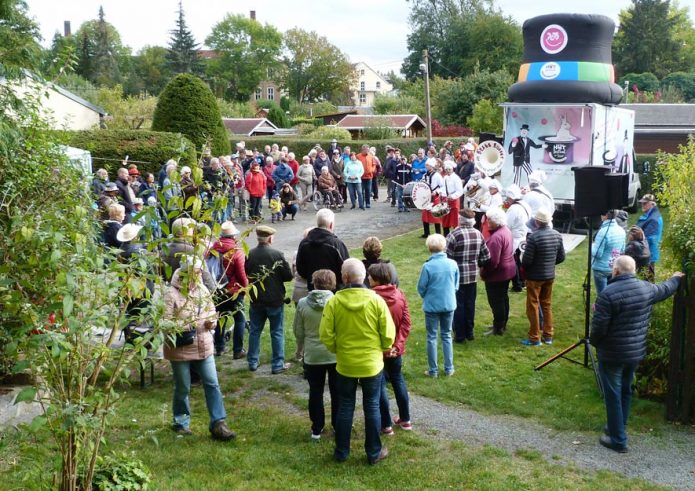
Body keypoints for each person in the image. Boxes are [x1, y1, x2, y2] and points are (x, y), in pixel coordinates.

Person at [590, 256, 684, 453]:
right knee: (625, 390)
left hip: (613, 354)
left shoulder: (607, 294)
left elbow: (598, 329)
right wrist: (676, 279)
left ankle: (618, 440)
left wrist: (595, 343)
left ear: (616, 271)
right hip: (634, 352)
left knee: (613, 394)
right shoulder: (646, 288)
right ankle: (618, 426)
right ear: (633, 270)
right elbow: (665, 289)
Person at [319, 259, 395, 465]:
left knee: (345, 406)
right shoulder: (376, 300)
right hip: (371, 363)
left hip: (345, 363)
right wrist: (380, 349)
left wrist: (338, 349)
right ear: (365, 278)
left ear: (344, 277)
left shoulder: (334, 302)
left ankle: (342, 452)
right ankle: (373, 453)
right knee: (372, 406)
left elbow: (325, 334)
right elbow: (388, 334)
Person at [163, 257, 236, 440]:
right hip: (180, 347)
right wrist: (190, 325)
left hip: (203, 345)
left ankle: (218, 423)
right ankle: (181, 422)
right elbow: (164, 323)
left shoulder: (202, 289)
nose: (199, 275)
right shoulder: (171, 293)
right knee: (183, 387)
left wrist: (212, 322)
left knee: (212, 383)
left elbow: (211, 311)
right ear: (186, 273)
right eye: (195, 272)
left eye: (199, 272)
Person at [368, 263, 412, 434]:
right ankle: (406, 419)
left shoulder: (370, 297)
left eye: (370, 276)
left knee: (379, 385)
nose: (367, 278)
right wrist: (398, 345)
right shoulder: (400, 295)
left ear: (377, 279)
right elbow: (406, 324)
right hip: (394, 349)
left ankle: (386, 424)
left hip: (377, 350)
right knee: (398, 379)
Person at [294, 269, 338, 441]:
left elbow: (298, 331)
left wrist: (304, 344)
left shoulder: (303, 303)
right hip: (334, 354)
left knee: (315, 391)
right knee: (337, 391)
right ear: (333, 283)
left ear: (314, 282)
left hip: (312, 354)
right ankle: (337, 424)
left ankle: (317, 428)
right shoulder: (336, 301)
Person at [244, 225, 293, 373]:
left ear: (258, 238)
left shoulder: (250, 254)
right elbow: (288, 276)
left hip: (256, 298)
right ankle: (277, 364)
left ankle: (252, 361)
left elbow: (246, 272)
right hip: (275, 300)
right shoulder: (277, 254)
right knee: (276, 331)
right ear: (270, 238)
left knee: (254, 331)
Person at [520, 208, 565, 346]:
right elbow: (561, 257)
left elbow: (526, 261)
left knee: (533, 306)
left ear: (537, 221)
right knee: (546, 305)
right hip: (549, 276)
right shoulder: (557, 235)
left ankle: (534, 337)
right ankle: (548, 335)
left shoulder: (534, 237)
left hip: (535, 277)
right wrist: (550, 264)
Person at [417, 234, 459, 377]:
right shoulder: (452, 264)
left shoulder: (427, 266)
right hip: (448, 304)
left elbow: (421, 287)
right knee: (447, 335)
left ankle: (433, 370)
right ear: (444, 247)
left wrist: (427, 297)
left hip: (432, 305)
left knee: (432, 336)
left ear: (429, 248)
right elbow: (455, 285)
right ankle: (449, 368)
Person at [446, 209, 490, 342]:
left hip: (456, 277)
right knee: (470, 304)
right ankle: (469, 333)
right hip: (472, 276)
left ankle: (459, 335)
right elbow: (487, 256)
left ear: (460, 220)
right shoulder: (478, 234)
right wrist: (476, 264)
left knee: (458, 306)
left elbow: (447, 257)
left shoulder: (453, 235)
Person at [210, 221, 248, 359]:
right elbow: (241, 274)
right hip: (233, 290)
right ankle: (238, 350)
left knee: (220, 318)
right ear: (233, 237)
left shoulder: (211, 250)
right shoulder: (236, 252)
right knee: (239, 318)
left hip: (216, 290)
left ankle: (219, 347)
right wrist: (245, 288)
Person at [480, 208, 516, 336]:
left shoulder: (496, 237)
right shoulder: (506, 230)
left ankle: (498, 327)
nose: (487, 222)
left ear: (496, 222)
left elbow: (492, 262)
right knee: (503, 298)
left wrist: (483, 273)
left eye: (489, 220)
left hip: (498, 275)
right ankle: (502, 323)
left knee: (496, 301)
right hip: (507, 271)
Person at [296, 209, 350, 291]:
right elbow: (346, 269)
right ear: (331, 225)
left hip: (313, 288)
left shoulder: (304, 243)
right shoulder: (336, 244)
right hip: (335, 291)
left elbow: (301, 269)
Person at [591, 210, 627, 296]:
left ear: (605, 215)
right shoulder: (621, 230)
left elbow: (597, 254)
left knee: (602, 295)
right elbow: (622, 250)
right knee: (612, 295)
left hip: (601, 269)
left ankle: (601, 309)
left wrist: (592, 245)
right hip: (614, 267)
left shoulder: (602, 232)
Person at [504, 184, 531, 292]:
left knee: (514, 261)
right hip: (523, 235)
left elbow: (507, 224)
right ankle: (522, 281)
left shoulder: (514, 208)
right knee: (519, 261)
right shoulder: (524, 204)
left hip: (516, 237)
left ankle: (517, 284)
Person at [635, 193, 663, 281]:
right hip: (646, 253)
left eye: (645, 203)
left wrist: (635, 236)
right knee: (646, 278)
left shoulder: (653, 219)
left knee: (647, 280)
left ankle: (650, 294)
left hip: (647, 255)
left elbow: (650, 239)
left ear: (652, 204)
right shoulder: (650, 215)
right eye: (642, 203)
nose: (642, 205)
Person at [420, 159, 445, 238]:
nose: (426, 166)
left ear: (432, 166)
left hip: (435, 197)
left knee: (436, 215)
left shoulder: (437, 175)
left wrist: (437, 192)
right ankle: (426, 233)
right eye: (426, 165)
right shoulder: (424, 175)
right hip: (426, 197)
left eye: (428, 165)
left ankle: (438, 233)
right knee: (425, 215)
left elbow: (443, 186)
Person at [441, 161, 464, 236]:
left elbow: (460, 191)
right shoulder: (445, 177)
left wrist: (453, 196)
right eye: (446, 170)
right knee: (445, 219)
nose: (448, 171)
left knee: (455, 220)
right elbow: (443, 188)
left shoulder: (456, 178)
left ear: (452, 169)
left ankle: (456, 236)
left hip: (454, 201)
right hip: (446, 200)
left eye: (449, 169)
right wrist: (442, 193)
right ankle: (446, 236)